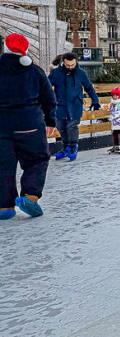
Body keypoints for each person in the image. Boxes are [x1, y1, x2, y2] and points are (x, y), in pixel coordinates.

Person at [0, 34, 57, 219]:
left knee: (3, 166)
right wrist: (50, 121)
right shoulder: (35, 71)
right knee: (37, 160)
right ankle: (30, 197)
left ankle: (4, 207)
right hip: (30, 125)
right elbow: (49, 99)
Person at [48, 52, 100, 161]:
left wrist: (95, 101)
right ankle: (66, 146)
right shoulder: (56, 73)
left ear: (76, 62)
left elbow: (89, 87)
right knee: (61, 126)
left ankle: (73, 147)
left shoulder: (81, 73)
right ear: (63, 62)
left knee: (71, 126)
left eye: (72, 65)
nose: (70, 67)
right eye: (68, 65)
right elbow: (46, 87)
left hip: (75, 104)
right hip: (60, 105)